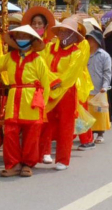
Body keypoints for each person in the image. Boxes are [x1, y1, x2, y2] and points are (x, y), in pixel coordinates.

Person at [0, 25, 55, 177]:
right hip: (14, 97)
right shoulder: (10, 57)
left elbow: (46, 84)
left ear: (32, 40)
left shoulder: (38, 60)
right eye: (19, 36)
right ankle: (13, 164)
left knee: (32, 134)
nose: (22, 39)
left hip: (32, 99)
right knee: (10, 133)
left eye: (25, 36)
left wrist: (43, 106)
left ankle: (28, 164)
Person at [40, 17, 89, 170]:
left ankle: (63, 159)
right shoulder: (49, 48)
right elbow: (42, 66)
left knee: (65, 125)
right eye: (61, 31)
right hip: (48, 89)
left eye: (67, 32)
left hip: (67, 92)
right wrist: (50, 82)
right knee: (45, 122)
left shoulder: (77, 53)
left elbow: (70, 75)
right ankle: (43, 152)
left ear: (74, 36)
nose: (62, 34)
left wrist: (55, 83)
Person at [84, 29, 111, 145]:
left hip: (99, 88)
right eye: (88, 39)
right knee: (86, 113)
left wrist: (105, 86)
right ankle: (87, 134)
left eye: (91, 39)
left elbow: (107, 72)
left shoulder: (104, 55)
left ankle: (100, 133)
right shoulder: (83, 54)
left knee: (100, 113)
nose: (89, 41)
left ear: (97, 41)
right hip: (85, 88)